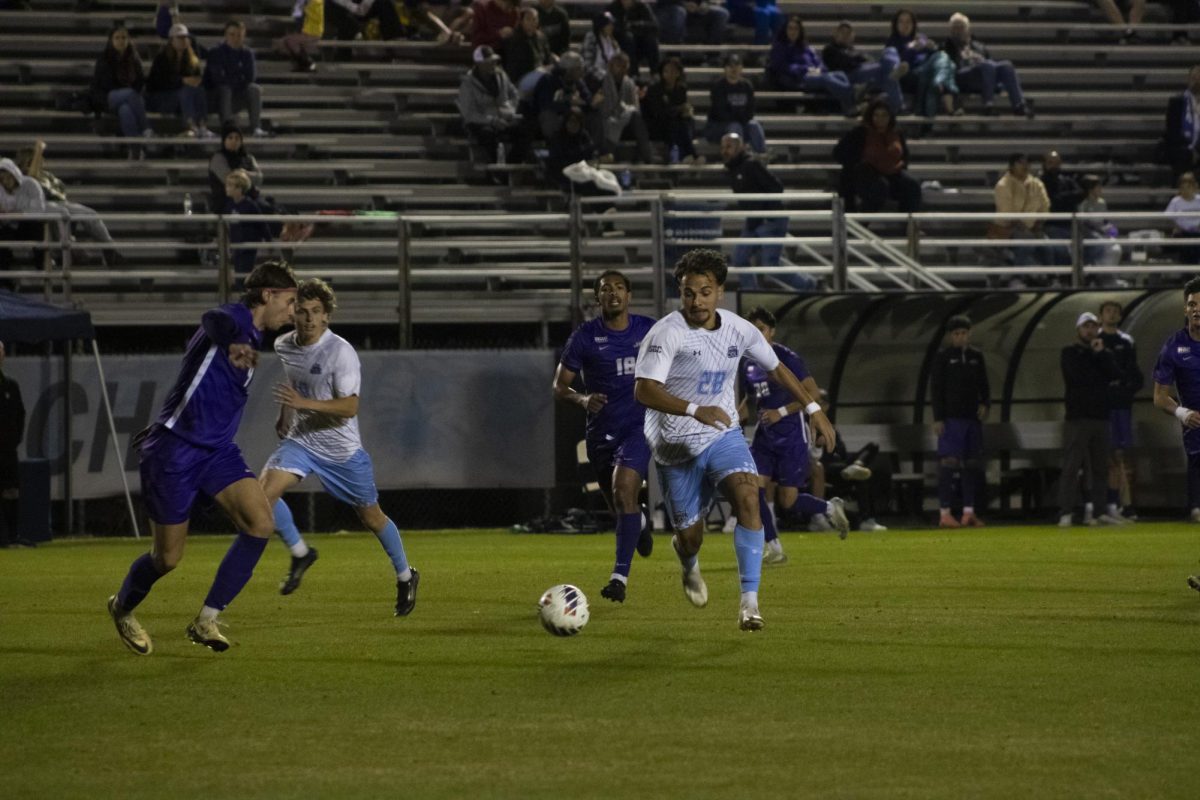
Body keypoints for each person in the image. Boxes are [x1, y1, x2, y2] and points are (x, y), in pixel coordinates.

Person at [633, 248, 836, 631]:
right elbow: (644, 391)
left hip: (722, 435)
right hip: (675, 446)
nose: (696, 301)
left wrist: (814, 410)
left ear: (720, 292)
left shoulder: (738, 328)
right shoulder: (666, 333)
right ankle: (688, 563)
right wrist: (695, 409)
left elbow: (777, 369)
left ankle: (749, 603)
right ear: (681, 292)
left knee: (748, 495)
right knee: (690, 538)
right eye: (689, 293)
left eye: (705, 292)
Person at [106, 261, 298, 656]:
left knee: (260, 522)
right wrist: (232, 341)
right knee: (167, 558)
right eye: (290, 301)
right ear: (268, 295)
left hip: (216, 452)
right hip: (175, 452)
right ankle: (122, 607)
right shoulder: (234, 318)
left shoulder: (254, 337)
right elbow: (211, 319)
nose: (292, 311)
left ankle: (205, 619)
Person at [261, 278, 419, 612]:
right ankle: (300, 552)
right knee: (262, 495)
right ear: (293, 314)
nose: (308, 319)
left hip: (341, 451)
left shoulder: (340, 353)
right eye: (301, 311)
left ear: (326, 317)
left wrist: (302, 403)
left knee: (372, 518)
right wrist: (285, 411)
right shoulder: (284, 345)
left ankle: (405, 575)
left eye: (315, 312)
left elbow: (349, 407)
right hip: (302, 441)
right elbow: (295, 379)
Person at [553, 271, 657, 603]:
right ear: (597, 298)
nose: (612, 293)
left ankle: (618, 578)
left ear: (629, 295)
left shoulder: (650, 330)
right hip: (601, 432)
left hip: (639, 427)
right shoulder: (584, 337)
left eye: (619, 288)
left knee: (624, 489)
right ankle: (640, 522)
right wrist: (582, 399)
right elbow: (559, 386)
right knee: (620, 508)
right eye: (605, 289)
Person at [736, 306, 849, 565]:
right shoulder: (747, 363)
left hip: (792, 437)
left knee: (789, 500)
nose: (756, 334)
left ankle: (829, 508)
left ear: (772, 331)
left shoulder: (786, 358)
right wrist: (738, 411)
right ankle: (773, 546)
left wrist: (781, 411)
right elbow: (751, 397)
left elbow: (813, 394)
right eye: (752, 330)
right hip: (765, 437)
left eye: (761, 329)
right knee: (753, 488)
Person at [722, 133, 813, 291]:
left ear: (741, 146)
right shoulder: (734, 168)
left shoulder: (751, 164)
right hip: (754, 220)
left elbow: (776, 187)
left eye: (729, 146)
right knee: (740, 258)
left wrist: (765, 213)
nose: (725, 150)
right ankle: (751, 293)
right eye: (723, 146)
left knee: (771, 265)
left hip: (769, 219)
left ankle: (811, 286)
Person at [1058, 312, 1124, 527]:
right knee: (1072, 465)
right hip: (1078, 417)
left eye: (1094, 326)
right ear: (1078, 329)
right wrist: (1096, 358)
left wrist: (1102, 354)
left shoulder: (1102, 352)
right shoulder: (1070, 352)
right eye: (1086, 326)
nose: (1090, 330)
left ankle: (1099, 511)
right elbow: (1078, 377)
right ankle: (1065, 512)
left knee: (1100, 467)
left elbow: (1115, 374)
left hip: (1101, 416)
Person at [15, 141, 118, 267]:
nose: (38, 162)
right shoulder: (18, 176)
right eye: (32, 161)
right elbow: (31, 179)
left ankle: (109, 248)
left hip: (58, 202)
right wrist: (38, 152)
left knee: (88, 213)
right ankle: (65, 251)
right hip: (36, 205)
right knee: (60, 213)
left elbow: (61, 192)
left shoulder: (47, 176)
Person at [929, 315, 989, 528]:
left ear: (969, 333)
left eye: (964, 333)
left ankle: (968, 511)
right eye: (956, 334)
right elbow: (936, 389)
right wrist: (938, 418)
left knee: (971, 464)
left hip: (971, 419)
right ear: (950, 336)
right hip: (951, 420)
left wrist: (986, 403)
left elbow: (984, 383)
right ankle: (944, 512)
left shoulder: (976, 357)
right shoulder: (943, 358)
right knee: (949, 464)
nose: (960, 337)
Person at [1152, 278, 1200, 538]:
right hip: (1196, 431)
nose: (1197, 309)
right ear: (1185, 309)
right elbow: (1160, 396)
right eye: (1192, 304)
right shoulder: (1174, 346)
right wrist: (1183, 413)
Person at [833, 99, 922, 214]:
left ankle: (910, 226)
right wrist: (858, 164)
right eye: (876, 115)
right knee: (879, 188)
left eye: (884, 115)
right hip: (865, 175)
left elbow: (904, 154)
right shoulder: (860, 132)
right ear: (871, 116)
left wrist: (900, 165)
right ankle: (862, 225)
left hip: (893, 173)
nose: (880, 119)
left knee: (912, 186)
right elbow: (838, 153)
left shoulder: (896, 133)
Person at [1098, 300, 1142, 521]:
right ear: (1101, 315)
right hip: (1101, 409)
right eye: (1108, 311)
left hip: (1121, 407)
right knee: (1106, 456)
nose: (1112, 315)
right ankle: (1104, 504)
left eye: (1116, 311)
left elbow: (1136, 376)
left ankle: (1123, 504)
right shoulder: (1096, 340)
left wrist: (1125, 390)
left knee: (1121, 455)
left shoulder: (1126, 341)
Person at [943, 12, 1030, 118]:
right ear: (951, 30)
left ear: (968, 29)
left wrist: (979, 59)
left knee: (1006, 65)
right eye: (955, 27)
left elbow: (990, 64)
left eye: (961, 27)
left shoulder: (978, 46)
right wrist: (962, 58)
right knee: (986, 65)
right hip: (961, 78)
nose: (959, 31)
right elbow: (946, 69)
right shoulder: (946, 47)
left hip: (982, 77)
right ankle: (988, 105)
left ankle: (1018, 105)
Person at [765, 16, 855, 117]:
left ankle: (849, 102)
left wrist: (819, 69)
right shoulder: (780, 47)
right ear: (785, 30)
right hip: (798, 79)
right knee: (827, 79)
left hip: (815, 74)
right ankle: (852, 100)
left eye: (796, 29)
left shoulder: (805, 47)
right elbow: (782, 66)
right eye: (790, 28)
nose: (793, 31)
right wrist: (806, 69)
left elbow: (818, 61)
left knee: (840, 74)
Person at [458, 45, 530, 165]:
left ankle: (511, 164)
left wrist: (510, 111)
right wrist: (492, 120)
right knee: (487, 135)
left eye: (494, 61)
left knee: (526, 131)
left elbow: (514, 94)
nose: (493, 64)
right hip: (482, 122)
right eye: (488, 62)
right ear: (479, 63)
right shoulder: (468, 83)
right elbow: (469, 114)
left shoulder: (501, 75)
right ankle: (495, 168)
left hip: (504, 119)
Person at [886, 9, 958, 121]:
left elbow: (933, 56)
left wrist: (932, 48)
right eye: (901, 22)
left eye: (908, 22)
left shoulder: (921, 38)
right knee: (945, 64)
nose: (905, 25)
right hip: (907, 76)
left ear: (914, 24)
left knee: (940, 60)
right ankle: (949, 106)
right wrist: (911, 49)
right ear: (896, 24)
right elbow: (895, 63)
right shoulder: (893, 41)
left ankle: (925, 121)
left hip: (925, 72)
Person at [821, 21, 906, 113]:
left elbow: (866, 60)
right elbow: (846, 63)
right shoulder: (830, 49)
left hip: (865, 75)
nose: (845, 35)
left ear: (853, 36)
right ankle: (898, 102)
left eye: (848, 33)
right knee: (885, 70)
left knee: (890, 51)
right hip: (849, 77)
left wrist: (860, 58)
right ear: (835, 34)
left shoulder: (851, 50)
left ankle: (894, 69)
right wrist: (860, 58)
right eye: (842, 32)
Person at [147, 23, 212, 139]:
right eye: (180, 38)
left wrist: (195, 81)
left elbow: (196, 78)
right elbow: (156, 83)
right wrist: (181, 81)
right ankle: (190, 126)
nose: (183, 40)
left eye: (185, 38)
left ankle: (202, 125)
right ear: (172, 40)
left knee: (199, 90)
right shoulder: (161, 59)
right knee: (185, 91)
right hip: (163, 99)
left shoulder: (192, 60)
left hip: (184, 99)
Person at [204, 20, 266, 137]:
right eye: (232, 34)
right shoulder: (216, 52)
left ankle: (256, 127)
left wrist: (232, 78)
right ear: (226, 35)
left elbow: (250, 77)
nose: (235, 38)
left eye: (239, 35)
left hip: (237, 94)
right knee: (225, 89)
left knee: (254, 89)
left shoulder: (247, 53)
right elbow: (217, 78)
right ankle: (228, 127)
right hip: (217, 96)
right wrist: (237, 77)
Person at [90, 24, 152, 139]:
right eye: (117, 38)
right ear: (111, 40)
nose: (121, 41)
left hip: (130, 99)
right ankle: (146, 127)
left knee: (125, 110)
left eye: (124, 38)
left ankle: (135, 148)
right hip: (108, 96)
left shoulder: (134, 58)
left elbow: (140, 80)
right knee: (129, 93)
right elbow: (104, 84)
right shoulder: (104, 58)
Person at [992, 153, 1052, 269]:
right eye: (1020, 163)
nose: (1025, 166)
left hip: (1033, 227)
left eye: (1027, 163)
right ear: (1012, 166)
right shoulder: (1003, 185)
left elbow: (1045, 207)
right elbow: (1007, 213)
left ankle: (1052, 277)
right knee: (1027, 243)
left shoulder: (1037, 184)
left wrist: (1037, 226)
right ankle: (1017, 277)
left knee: (1048, 246)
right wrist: (1025, 230)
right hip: (1008, 229)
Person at [641, 57, 701, 165]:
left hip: (675, 123)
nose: (670, 74)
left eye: (673, 71)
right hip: (656, 125)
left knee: (684, 123)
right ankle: (688, 155)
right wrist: (678, 109)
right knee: (676, 126)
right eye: (667, 71)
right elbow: (657, 112)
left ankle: (689, 155)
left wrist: (686, 111)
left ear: (678, 73)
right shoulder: (655, 89)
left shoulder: (681, 89)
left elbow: (680, 109)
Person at [597, 52, 653, 163]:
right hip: (606, 119)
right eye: (619, 66)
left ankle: (646, 157)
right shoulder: (601, 80)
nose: (622, 70)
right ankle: (606, 155)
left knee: (636, 117)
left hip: (625, 120)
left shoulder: (629, 83)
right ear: (611, 66)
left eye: (625, 67)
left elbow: (635, 107)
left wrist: (624, 109)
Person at [705, 54, 766, 155]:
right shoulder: (718, 87)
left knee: (754, 125)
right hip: (718, 127)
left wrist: (741, 118)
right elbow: (721, 113)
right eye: (730, 66)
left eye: (737, 66)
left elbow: (750, 111)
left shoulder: (747, 86)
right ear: (725, 69)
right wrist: (739, 117)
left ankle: (762, 155)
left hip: (740, 125)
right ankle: (738, 158)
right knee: (735, 125)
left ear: (741, 68)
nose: (734, 69)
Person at [532, 52, 600, 141]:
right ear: (569, 70)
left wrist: (589, 104)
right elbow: (546, 104)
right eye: (579, 68)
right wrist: (568, 103)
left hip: (573, 114)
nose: (582, 71)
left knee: (594, 116)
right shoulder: (548, 80)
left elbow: (587, 98)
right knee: (548, 116)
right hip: (556, 115)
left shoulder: (578, 81)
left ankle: (593, 149)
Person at [224, 169, 278, 274]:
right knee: (238, 273)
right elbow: (228, 226)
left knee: (245, 273)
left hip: (248, 246)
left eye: (230, 185)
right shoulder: (229, 205)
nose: (227, 188)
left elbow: (261, 224)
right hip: (236, 246)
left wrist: (269, 241)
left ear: (239, 189)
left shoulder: (250, 205)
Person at [0, 157, 47, 274]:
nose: (6, 181)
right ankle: (5, 279)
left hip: (28, 226)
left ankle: (42, 266)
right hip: (8, 227)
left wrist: (15, 214)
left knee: (37, 227)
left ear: (14, 174)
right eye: (2, 179)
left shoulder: (31, 185)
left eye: (8, 177)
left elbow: (39, 210)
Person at [209, 122, 263, 213]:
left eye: (237, 138)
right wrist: (247, 176)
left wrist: (244, 173)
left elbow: (259, 178)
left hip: (250, 198)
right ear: (224, 140)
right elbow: (231, 180)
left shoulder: (248, 157)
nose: (234, 141)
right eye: (230, 138)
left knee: (268, 208)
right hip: (227, 200)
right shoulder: (218, 158)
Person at [0, 342, 24, 548]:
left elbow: (20, 415)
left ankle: (12, 536)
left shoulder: (11, 385)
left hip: (7, 452)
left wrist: (14, 440)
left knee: (11, 492)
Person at [504, 8, 554, 96]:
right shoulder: (514, 40)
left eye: (535, 19)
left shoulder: (541, 37)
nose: (532, 22)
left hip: (541, 74)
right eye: (528, 19)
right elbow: (514, 67)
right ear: (522, 21)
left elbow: (547, 58)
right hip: (521, 78)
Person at [1163, 65, 1200, 180]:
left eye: (1198, 78)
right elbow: (1172, 131)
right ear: (1188, 79)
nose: (1196, 81)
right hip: (1182, 149)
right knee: (1181, 156)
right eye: (1193, 78)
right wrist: (1189, 150)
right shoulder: (1177, 103)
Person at [1078, 175, 1123, 269]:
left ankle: (1108, 275)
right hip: (1087, 234)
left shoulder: (1102, 203)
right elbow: (1082, 223)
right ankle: (1094, 274)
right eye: (1098, 187)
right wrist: (1097, 231)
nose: (1100, 189)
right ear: (1090, 189)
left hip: (1102, 233)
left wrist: (1110, 228)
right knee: (1100, 245)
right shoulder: (1082, 203)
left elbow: (1105, 221)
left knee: (1116, 248)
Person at [608, 0, 658, 77]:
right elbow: (612, 27)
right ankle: (633, 74)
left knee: (651, 41)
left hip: (639, 43)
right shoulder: (613, 8)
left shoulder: (642, 7)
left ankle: (655, 74)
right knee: (628, 39)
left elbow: (653, 26)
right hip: (621, 43)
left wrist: (634, 26)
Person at [275, 0, 324, 73]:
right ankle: (303, 65)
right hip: (307, 30)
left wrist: (302, 7)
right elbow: (297, 13)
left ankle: (309, 64)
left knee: (290, 41)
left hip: (313, 32)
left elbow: (301, 12)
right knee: (285, 42)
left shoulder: (316, 2)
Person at [654, 0, 727, 46]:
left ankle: (713, 56)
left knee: (721, 13)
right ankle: (674, 56)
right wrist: (684, 4)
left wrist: (705, 4)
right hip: (671, 9)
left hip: (696, 10)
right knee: (679, 12)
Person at [581, 12, 622, 89]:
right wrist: (605, 77)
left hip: (610, 76)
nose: (611, 27)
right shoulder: (591, 38)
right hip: (594, 78)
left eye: (612, 24)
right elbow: (588, 66)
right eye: (608, 24)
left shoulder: (611, 40)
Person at [1167, 171, 1200, 265]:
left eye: (1188, 187)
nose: (1185, 191)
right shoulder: (1175, 201)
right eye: (1183, 188)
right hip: (1182, 232)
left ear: (1195, 187)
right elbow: (1168, 218)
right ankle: (1187, 275)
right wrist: (1177, 227)